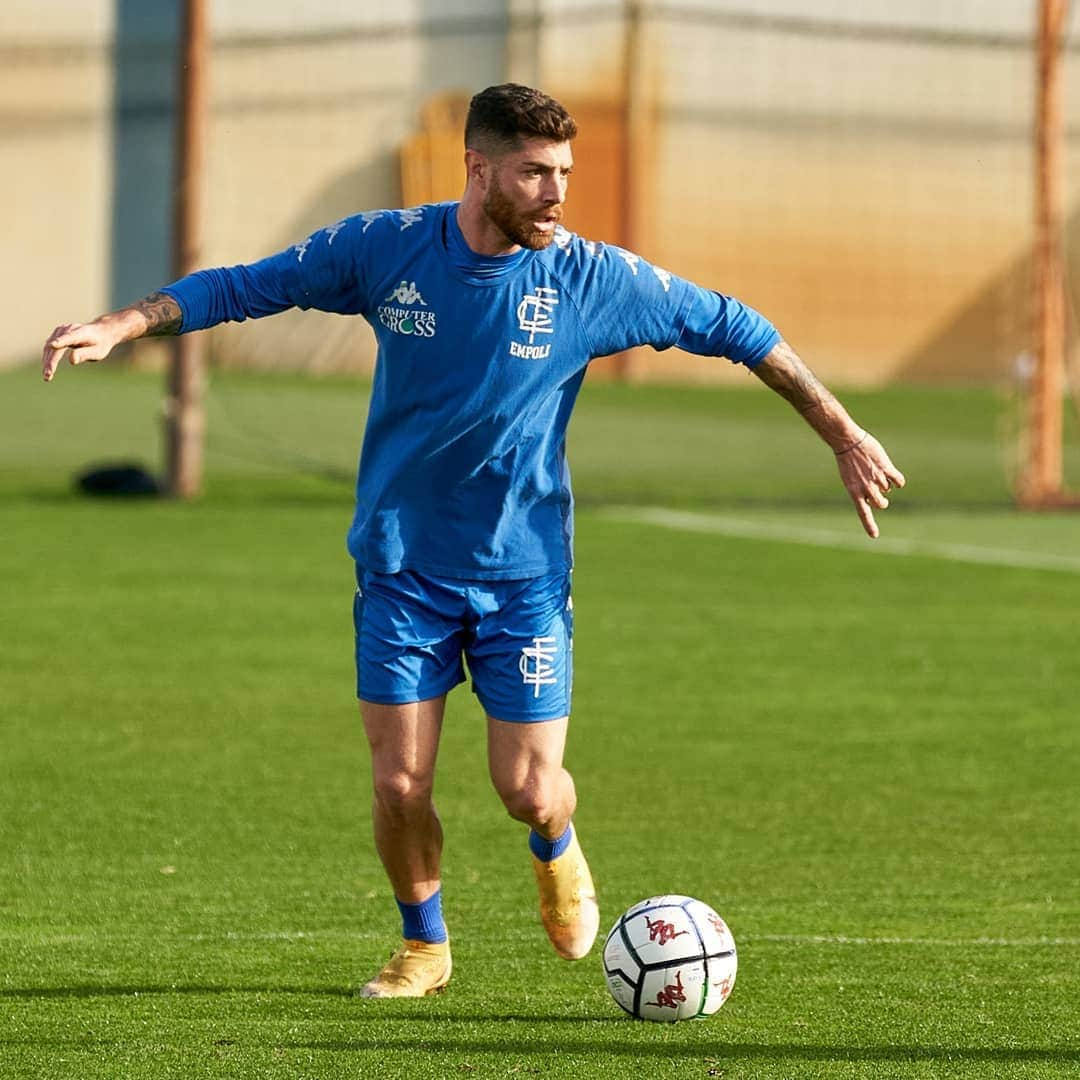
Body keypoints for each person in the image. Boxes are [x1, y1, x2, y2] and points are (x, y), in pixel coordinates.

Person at [42, 83, 905, 998]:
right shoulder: (385, 249)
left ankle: (557, 848)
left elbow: (740, 328)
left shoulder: (592, 279)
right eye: (535, 172)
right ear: (478, 167)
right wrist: (123, 322)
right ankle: (424, 945)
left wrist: (842, 432)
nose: (555, 191)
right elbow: (245, 286)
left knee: (529, 788)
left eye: (564, 173)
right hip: (403, 567)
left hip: (523, 576)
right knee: (400, 783)